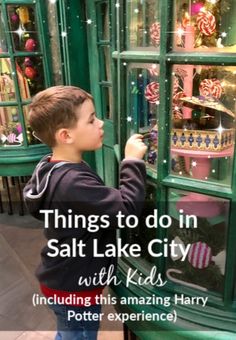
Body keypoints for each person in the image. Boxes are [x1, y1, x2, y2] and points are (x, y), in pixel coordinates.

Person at [23, 85, 147, 340]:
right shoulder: (72, 183)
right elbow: (127, 211)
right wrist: (132, 162)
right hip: (73, 289)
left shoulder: (51, 166)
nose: (101, 123)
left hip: (63, 278)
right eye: (91, 119)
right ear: (66, 135)